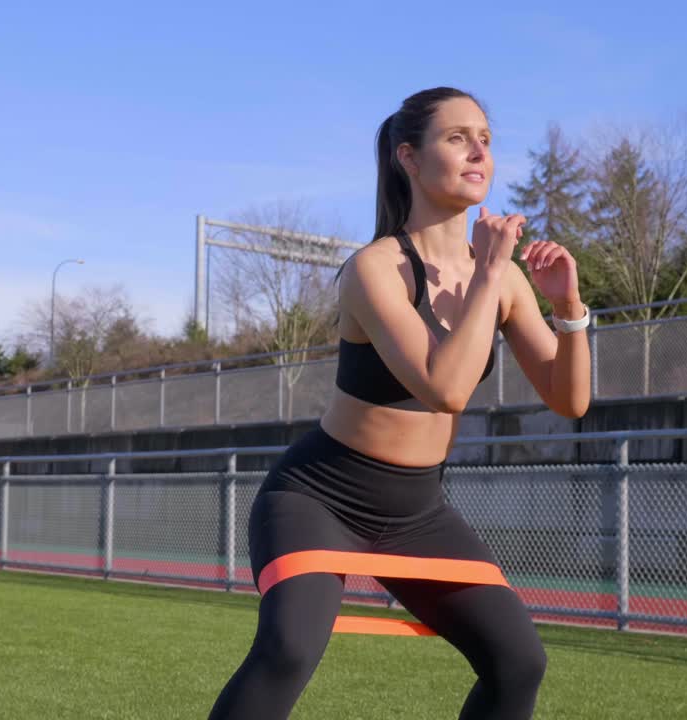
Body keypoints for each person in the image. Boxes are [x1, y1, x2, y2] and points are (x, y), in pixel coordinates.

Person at [208, 86, 592, 720]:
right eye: (458, 138)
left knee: (519, 662)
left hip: (418, 511)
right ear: (408, 157)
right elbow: (444, 388)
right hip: (320, 497)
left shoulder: (503, 277)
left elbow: (569, 400)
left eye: (486, 139)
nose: (479, 152)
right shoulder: (375, 268)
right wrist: (488, 276)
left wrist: (568, 308)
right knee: (288, 650)